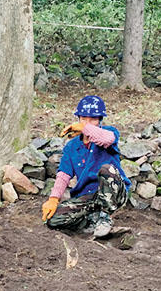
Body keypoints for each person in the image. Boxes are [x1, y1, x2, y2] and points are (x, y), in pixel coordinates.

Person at [41, 95, 131, 237]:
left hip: (114, 193)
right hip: (88, 197)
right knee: (53, 220)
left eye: (93, 119)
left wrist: (85, 127)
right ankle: (91, 222)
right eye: (84, 119)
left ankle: (105, 217)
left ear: (100, 120)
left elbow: (107, 139)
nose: (88, 122)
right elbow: (64, 174)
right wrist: (53, 198)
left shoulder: (109, 132)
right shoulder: (71, 146)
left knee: (107, 169)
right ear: (78, 118)